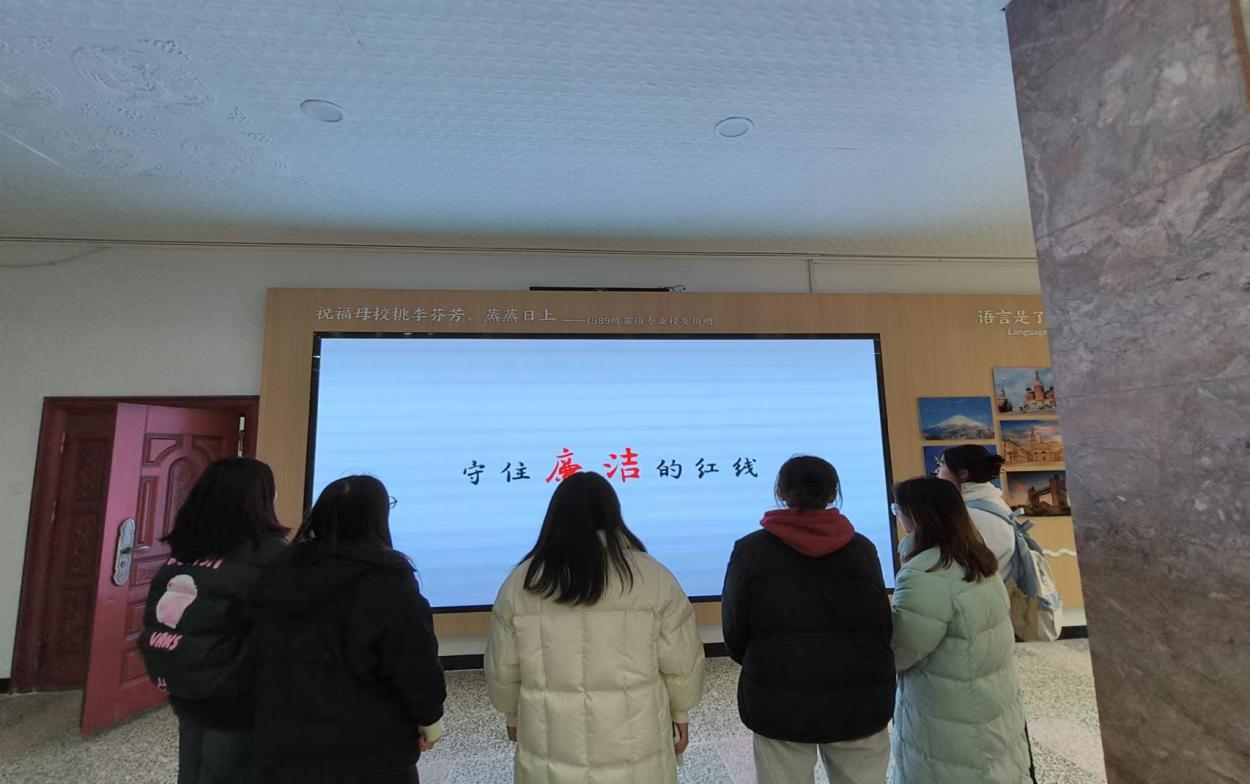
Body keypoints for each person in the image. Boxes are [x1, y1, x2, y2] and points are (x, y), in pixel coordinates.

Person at [485, 471, 705, 784]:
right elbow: (681, 662)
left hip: (552, 740)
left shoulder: (522, 582)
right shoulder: (654, 577)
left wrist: (512, 714)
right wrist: (680, 713)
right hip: (636, 742)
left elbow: (503, 668)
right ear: (614, 514)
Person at [251, 475, 446, 784]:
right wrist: (430, 719)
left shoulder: (282, 567)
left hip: (284, 739)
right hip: (368, 747)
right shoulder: (387, 578)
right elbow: (413, 661)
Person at [720, 455, 894, 784]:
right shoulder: (862, 548)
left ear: (781, 492)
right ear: (833, 494)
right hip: (859, 695)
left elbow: (734, 628)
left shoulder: (751, 550)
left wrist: (761, 660)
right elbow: (881, 625)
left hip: (778, 692)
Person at [139, 457, 289, 784]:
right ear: (260, 497)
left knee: (193, 766)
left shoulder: (186, 547)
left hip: (187, 683)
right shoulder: (271, 553)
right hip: (236, 692)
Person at [890, 476, 1031, 784]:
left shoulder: (926, 573)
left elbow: (902, 650)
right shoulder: (979, 560)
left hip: (949, 715)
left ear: (915, 517)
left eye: (896, 509)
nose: (896, 517)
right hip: (990, 702)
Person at [936, 445, 1015, 576]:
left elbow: (964, 568)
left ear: (963, 474)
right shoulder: (992, 501)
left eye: (942, 464)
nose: (937, 471)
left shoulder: (971, 514)